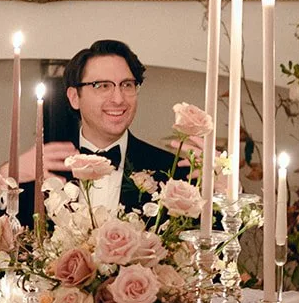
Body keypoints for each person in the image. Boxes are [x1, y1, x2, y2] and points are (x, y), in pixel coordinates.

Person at [11, 39, 177, 226]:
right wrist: (7, 178)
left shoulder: (169, 171)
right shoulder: (44, 166)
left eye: (127, 85)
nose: (118, 99)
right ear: (75, 97)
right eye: (103, 86)